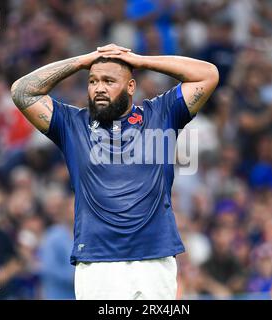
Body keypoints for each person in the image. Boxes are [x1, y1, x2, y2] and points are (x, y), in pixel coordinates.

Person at [11, 43, 219, 299]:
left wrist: (141, 61)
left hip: (153, 260)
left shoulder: (162, 115)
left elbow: (208, 74)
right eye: (92, 81)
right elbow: (22, 92)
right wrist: (81, 61)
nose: (99, 88)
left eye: (109, 81)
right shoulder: (72, 125)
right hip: (97, 262)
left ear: (131, 86)